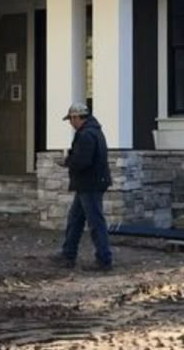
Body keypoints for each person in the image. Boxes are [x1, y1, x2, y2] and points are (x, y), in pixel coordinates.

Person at [51, 101, 113, 271]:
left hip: (89, 184)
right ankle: (68, 254)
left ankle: (104, 259)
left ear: (78, 117)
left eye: (71, 119)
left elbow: (83, 161)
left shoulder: (86, 135)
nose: (71, 123)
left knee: (95, 222)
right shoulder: (94, 132)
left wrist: (67, 162)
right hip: (89, 183)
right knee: (75, 220)